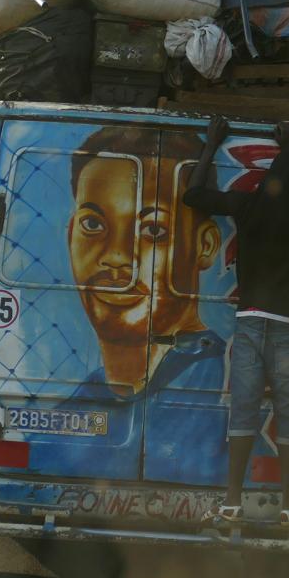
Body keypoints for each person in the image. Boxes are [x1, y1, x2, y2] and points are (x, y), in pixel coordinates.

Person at [184, 117, 289, 529]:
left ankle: (231, 502)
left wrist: (212, 144)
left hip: (252, 323)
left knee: (242, 409)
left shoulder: (249, 205)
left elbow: (194, 195)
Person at [66, 125, 224, 394]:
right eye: (92, 224)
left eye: (153, 230)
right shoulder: (90, 393)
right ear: (70, 236)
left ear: (204, 246)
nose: (116, 256)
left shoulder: (215, 379)